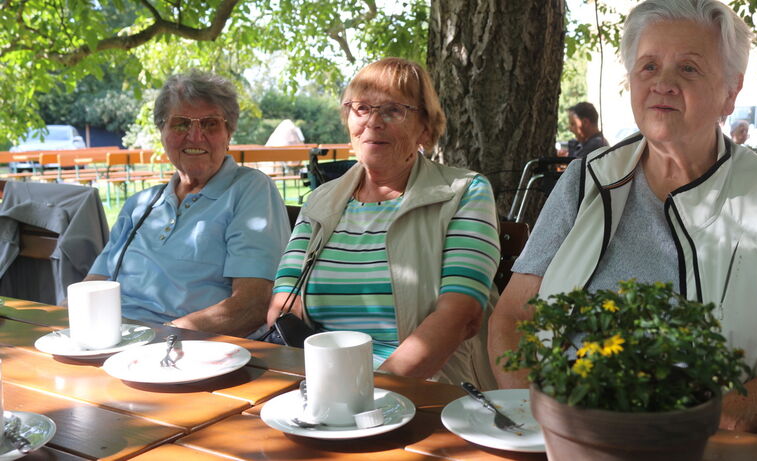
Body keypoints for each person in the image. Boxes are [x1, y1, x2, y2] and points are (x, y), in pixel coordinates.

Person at [488, 0, 757, 437]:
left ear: (731, 92)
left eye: (688, 68)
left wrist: (683, 433)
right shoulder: (585, 181)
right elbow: (514, 317)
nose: (663, 83)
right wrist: (542, 425)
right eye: (648, 66)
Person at [267, 57, 500, 388]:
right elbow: (283, 304)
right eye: (361, 108)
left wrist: (368, 391)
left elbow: (460, 316)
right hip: (323, 385)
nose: (373, 122)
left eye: (393, 110)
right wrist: (323, 387)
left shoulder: (463, 192)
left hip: (428, 391)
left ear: (425, 127)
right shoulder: (320, 201)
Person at [87, 71, 291, 337]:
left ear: (229, 133)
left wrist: (159, 337)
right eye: (181, 124)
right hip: (113, 337)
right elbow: (94, 284)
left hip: (192, 347)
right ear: (162, 132)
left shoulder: (249, 190)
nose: (195, 136)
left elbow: (252, 305)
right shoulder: (140, 205)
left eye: (210, 124)